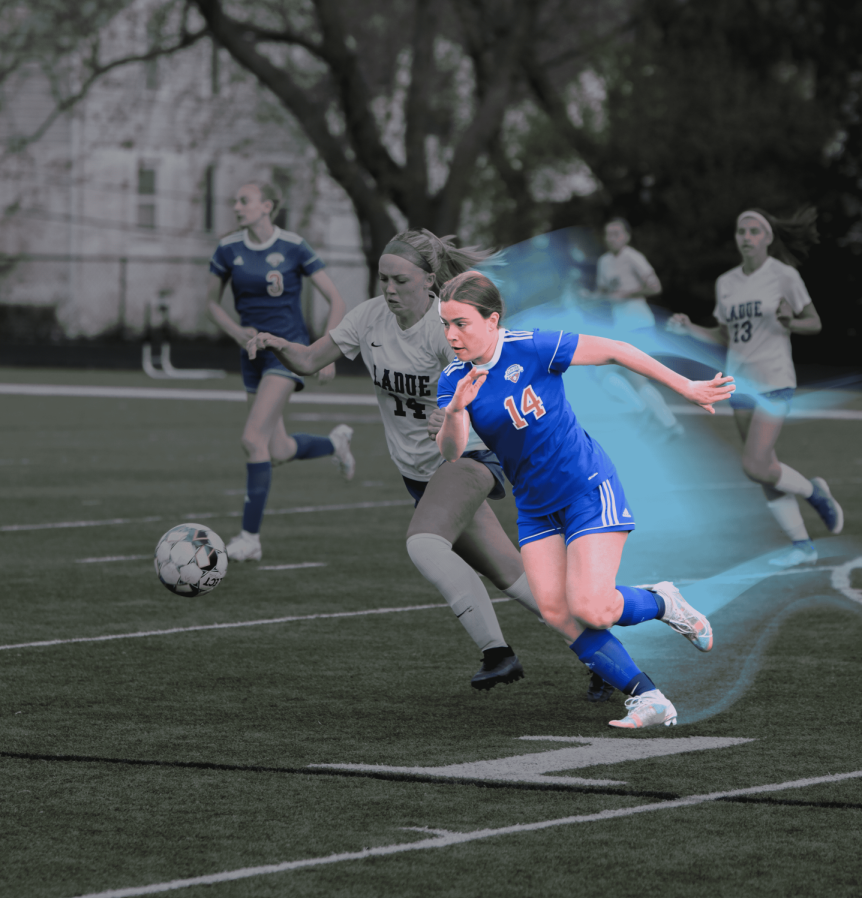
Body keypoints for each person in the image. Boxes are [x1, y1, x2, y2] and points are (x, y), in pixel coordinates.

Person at [246, 229, 546, 691]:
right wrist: (275, 343)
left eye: (399, 280)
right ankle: (603, 648)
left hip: (468, 458)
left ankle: (498, 653)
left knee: (424, 543)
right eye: (383, 278)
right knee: (510, 572)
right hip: (419, 474)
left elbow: (492, 390)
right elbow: (308, 360)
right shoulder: (369, 319)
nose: (388, 288)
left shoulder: (449, 328)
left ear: (429, 281)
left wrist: (452, 416)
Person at [436, 270, 735, 730]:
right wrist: (456, 409)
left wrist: (685, 386)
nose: (451, 335)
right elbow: (452, 452)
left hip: (587, 488)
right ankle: (648, 698)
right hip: (536, 506)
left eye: (461, 323)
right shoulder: (454, 378)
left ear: (492, 320)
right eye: (445, 324)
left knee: (593, 607)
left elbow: (617, 350)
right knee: (556, 610)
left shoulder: (532, 347)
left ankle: (662, 601)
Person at [667, 208, 843, 567]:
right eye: (740, 231)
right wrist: (689, 329)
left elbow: (815, 323)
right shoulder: (726, 282)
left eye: (753, 231)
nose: (745, 237)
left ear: (767, 238)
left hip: (776, 380)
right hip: (740, 384)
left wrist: (791, 321)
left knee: (753, 464)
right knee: (765, 468)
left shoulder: (784, 275)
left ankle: (815, 494)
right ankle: (802, 546)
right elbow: (723, 335)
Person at [207, 181, 355, 562]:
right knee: (277, 449)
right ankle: (333, 445)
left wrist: (327, 351)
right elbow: (211, 304)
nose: (236, 206)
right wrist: (236, 332)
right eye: (235, 200)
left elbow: (336, 298)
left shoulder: (293, 246)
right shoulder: (228, 249)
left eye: (244, 200)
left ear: (267, 206)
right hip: (251, 356)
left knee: (252, 438)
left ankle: (250, 539)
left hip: (286, 354)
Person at [588, 218, 683, 440]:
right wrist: (588, 297)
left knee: (608, 373)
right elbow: (603, 293)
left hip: (639, 324)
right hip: (621, 328)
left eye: (616, 233)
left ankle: (644, 412)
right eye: (608, 234)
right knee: (621, 377)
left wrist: (628, 293)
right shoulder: (604, 261)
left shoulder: (633, 257)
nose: (611, 238)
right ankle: (669, 424)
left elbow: (655, 286)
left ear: (627, 236)